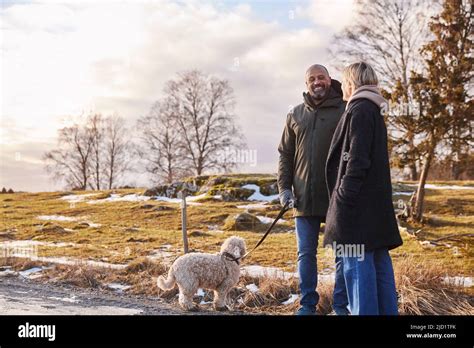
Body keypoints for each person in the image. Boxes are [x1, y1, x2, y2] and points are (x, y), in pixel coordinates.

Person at [324, 61, 403, 315]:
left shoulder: (358, 109)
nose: (342, 87)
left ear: (351, 83)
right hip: (374, 209)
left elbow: (357, 159)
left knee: (357, 271)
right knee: (378, 266)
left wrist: (344, 195)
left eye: (344, 81)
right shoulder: (373, 109)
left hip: (356, 209)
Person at [278, 64, 348, 315]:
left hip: (337, 198)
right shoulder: (295, 114)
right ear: (306, 84)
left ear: (329, 79)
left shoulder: (346, 109)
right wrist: (284, 188)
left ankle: (341, 306)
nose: (317, 82)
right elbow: (285, 154)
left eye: (321, 77)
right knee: (305, 254)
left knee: (342, 255)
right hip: (303, 199)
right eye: (312, 79)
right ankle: (307, 305)